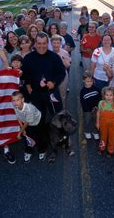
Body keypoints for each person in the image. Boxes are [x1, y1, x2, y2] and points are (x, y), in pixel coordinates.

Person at [22, 32, 66, 161]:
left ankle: (60, 140)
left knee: (58, 118)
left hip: (52, 93)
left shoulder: (54, 57)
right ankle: (39, 146)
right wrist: (29, 87)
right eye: (39, 43)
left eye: (44, 43)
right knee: (36, 121)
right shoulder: (29, 58)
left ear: (48, 43)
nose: (41, 46)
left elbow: (61, 73)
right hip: (36, 94)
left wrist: (55, 82)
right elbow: (25, 75)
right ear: (35, 44)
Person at [12, 91, 42, 163]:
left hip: (36, 122)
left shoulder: (28, 109)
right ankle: (29, 151)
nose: (15, 102)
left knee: (38, 136)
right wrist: (23, 129)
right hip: (26, 121)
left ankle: (42, 150)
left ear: (22, 100)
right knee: (28, 137)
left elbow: (27, 123)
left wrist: (20, 132)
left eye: (17, 100)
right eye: (13, 100)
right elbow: (18, 118)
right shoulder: (16, 106)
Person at [96, 86, 114, 158]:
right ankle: (102, 148)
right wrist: (97, 122)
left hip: (113, 123)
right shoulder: (101, 103)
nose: (109, 97)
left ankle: (110, 150)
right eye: (107, 95)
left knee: (112, 137)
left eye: (111, 95)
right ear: (104, 95)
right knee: (103, 136)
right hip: (103, 123)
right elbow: (98, 112)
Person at [51, 34, 71, 109]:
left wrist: (63, 61)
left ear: (60, 43)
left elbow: (68, 65)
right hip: (52, 78)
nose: (56, 45)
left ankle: (63, 111)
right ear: (51, 43)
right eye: (54, 43)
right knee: (53, 96)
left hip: (63, 76)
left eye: (58, 43)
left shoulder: (65, 53)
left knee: (63, 95)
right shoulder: (49, 53)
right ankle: (55, 111)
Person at [80, 71, 101, 140]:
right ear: (83, 81)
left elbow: (99, 98)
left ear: (93, 81)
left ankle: (95, 132)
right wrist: (89, 109)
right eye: (87, 81)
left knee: (96, 120)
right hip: (87, 110)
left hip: (96, 108)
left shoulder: (96, 89)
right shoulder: (82, 91)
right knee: (87, 121)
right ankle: (87, 131)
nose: (89, 83)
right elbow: (83, 103)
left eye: (91, 81)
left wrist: (97, 106)